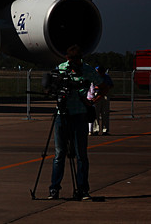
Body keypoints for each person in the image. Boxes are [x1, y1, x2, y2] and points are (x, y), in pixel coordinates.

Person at [48, 45, 105, 201]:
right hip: (62, 114)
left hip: (79, 114)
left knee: (81, 155)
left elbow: (103, 84)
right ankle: (54, 188)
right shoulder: (61, 68)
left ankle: (82, 189)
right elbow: (53, 87)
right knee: (59, 154)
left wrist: (92, 100)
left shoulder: (87, 69)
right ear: (68, 59)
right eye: (74, 61)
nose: (76, 64)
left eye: (78, 61)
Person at [90, 65, 114, 136]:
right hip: (97, 94)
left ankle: (105, 130)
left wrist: (106, 87)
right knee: (96, 113)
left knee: (105, 113)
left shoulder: (106, 77)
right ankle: (95, 130)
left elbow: (111, 85)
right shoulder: (94, 77)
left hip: (105, 94)